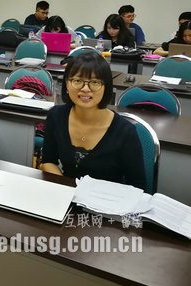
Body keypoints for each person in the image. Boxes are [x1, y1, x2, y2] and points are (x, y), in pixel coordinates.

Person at [40, 52, 146, 191]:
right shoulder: (56, 116)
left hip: (107, 200)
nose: (85, 89)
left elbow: (138, 186)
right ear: (66, 83)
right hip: (66, 196)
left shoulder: (125, 132)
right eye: (77, 81)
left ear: (106, 87)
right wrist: (67, 189)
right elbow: (48, 161)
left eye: (95, 82)